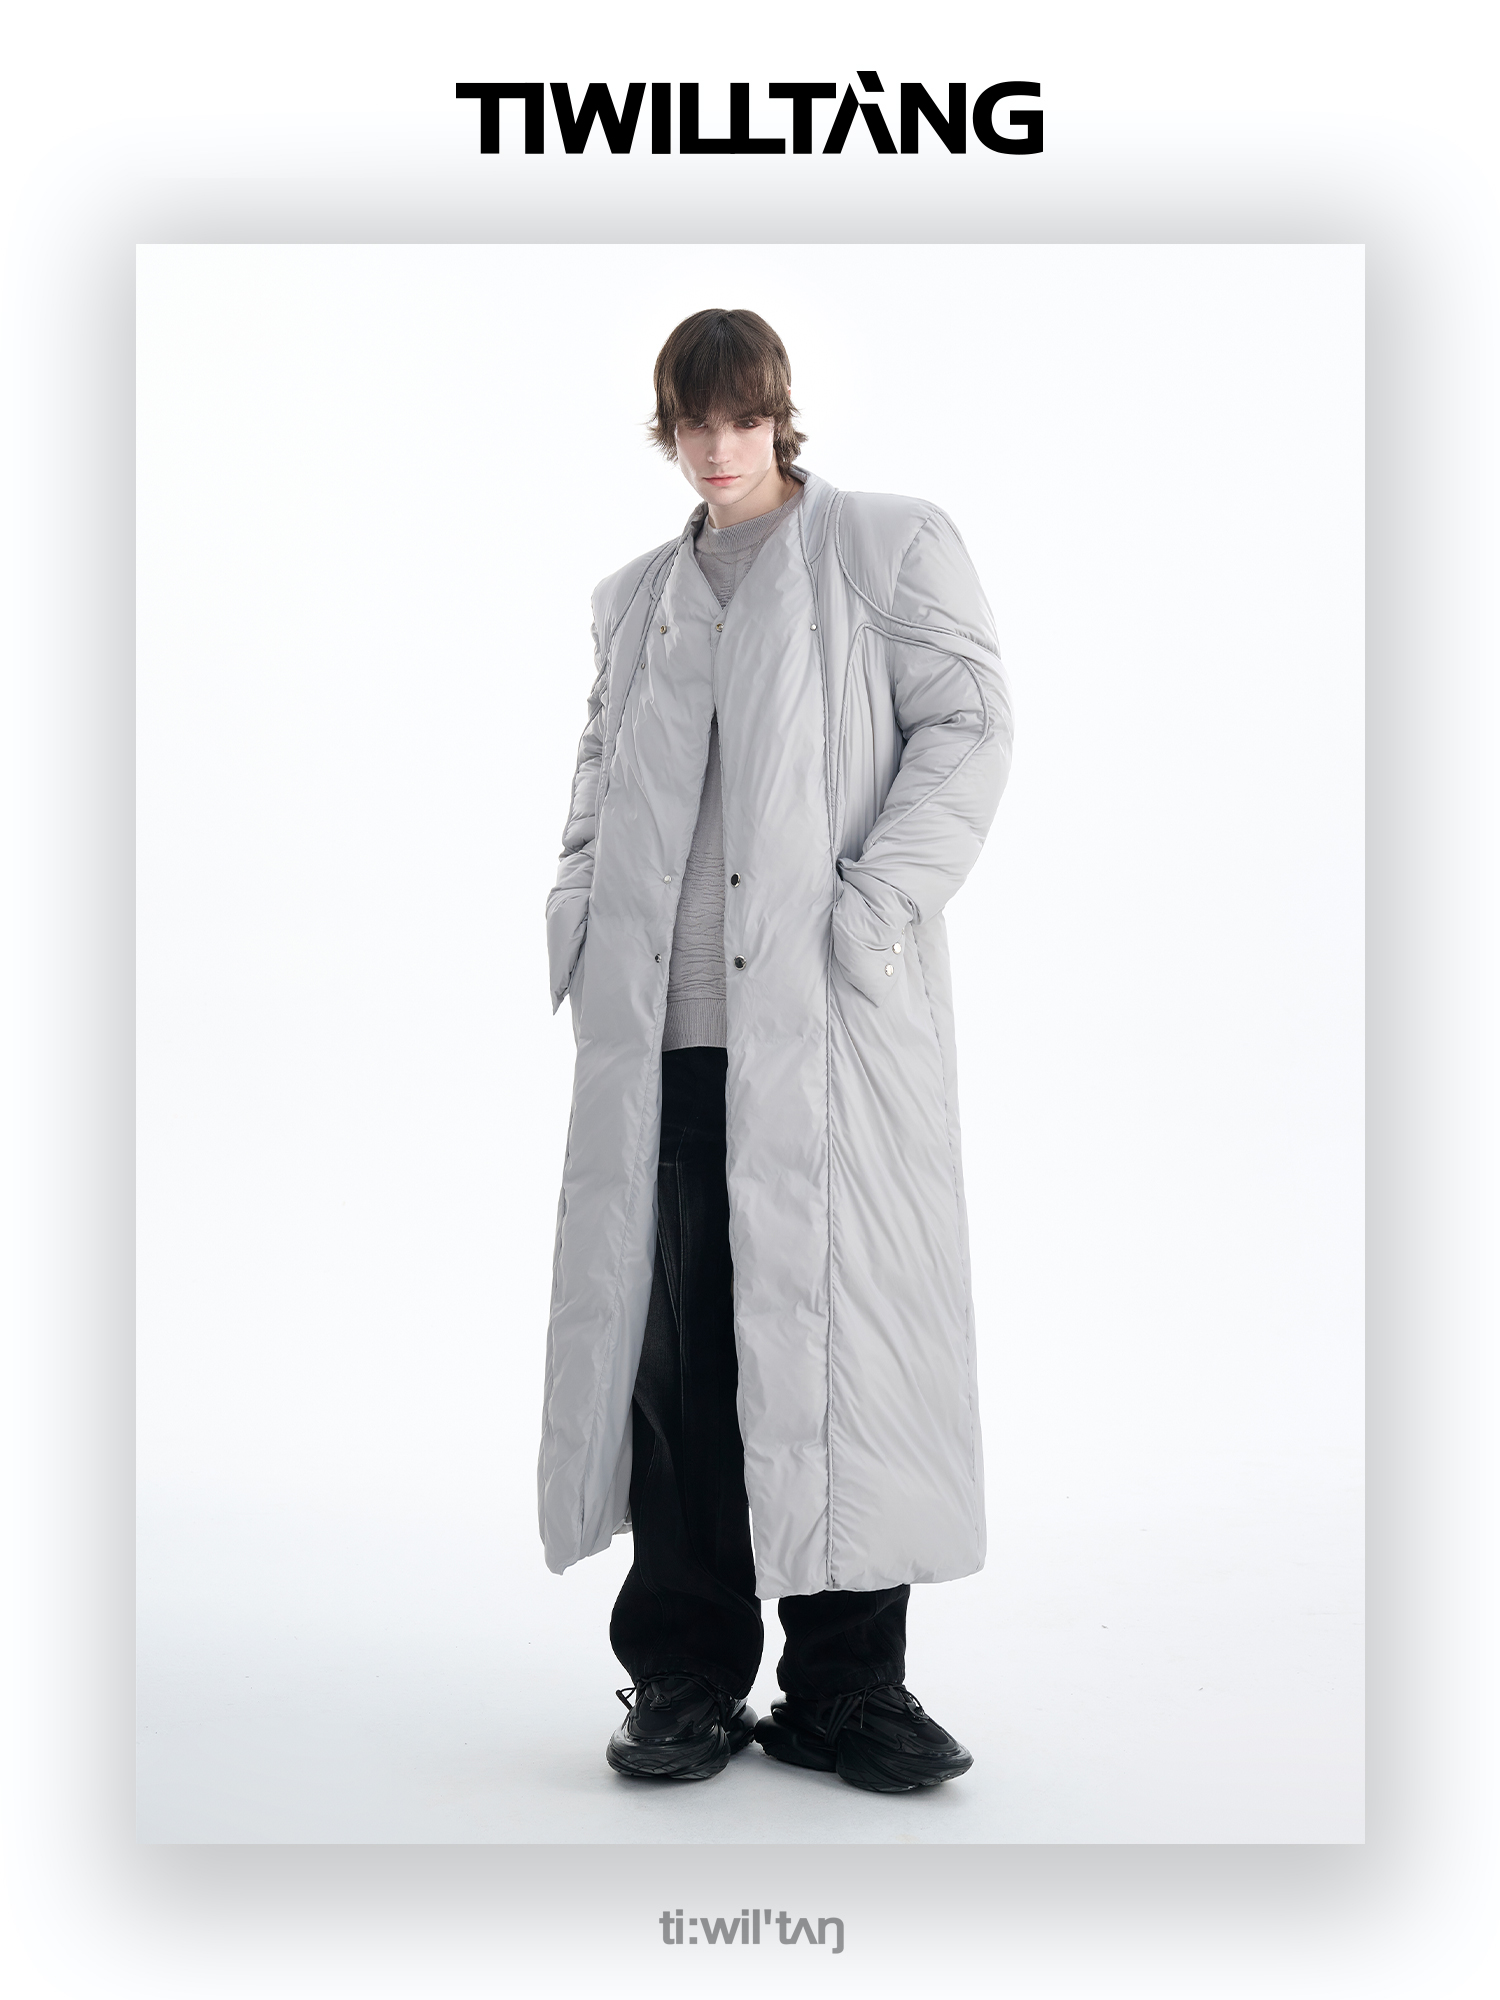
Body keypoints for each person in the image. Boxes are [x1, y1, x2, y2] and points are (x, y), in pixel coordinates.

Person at [540, 308, 1013, 1793]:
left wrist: (873, 907)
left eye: (741, 418)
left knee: (840, 1346)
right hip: (669, 1039)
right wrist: (575, 910)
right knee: (678, 1362)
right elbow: (597, 778)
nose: (717, 446)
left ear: (779, 417)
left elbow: (970, 727)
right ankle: (683, 1675)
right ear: (667, 428)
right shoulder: (635, 598)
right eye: (693, 421)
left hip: (826, 1036)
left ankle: (846, 1691)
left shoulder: (883, 548)